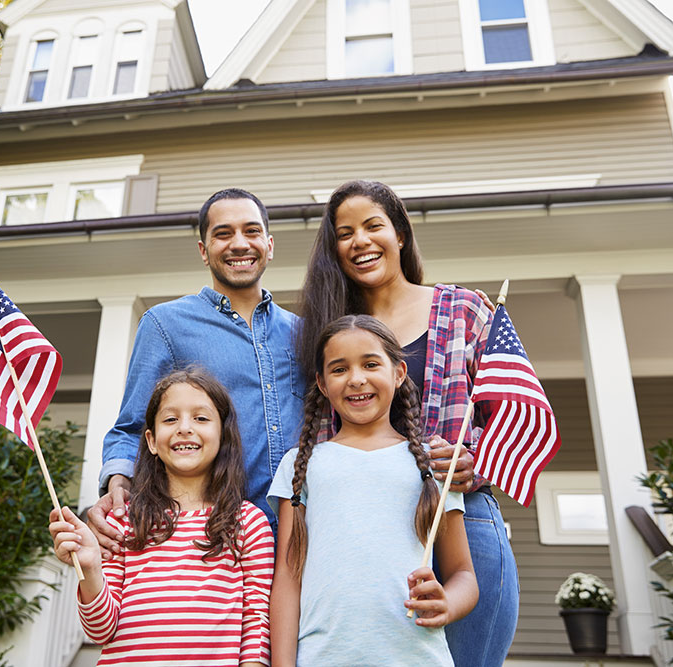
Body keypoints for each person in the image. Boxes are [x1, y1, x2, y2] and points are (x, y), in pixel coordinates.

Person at [293, 180, 519, 667]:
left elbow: (509, 418)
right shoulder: (329, 328)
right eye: (344, 232)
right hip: (362, 535)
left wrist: (471, 457)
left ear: (400, 233)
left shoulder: (464, 310)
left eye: (373, 225)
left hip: (461, 520)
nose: (360, 240)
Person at [87, 188, 303, 557]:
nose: (239, 244)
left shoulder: (303, 333)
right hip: (215, 542)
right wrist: (117, 483)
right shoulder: (165, 325)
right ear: (204, 251)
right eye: (223, 234)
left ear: (269, 244)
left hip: (302, 538)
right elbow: (132, 426)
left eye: (251, 232)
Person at [268, 315, 477, 665]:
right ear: (321, 383)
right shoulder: (299, 465)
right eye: (339, 369)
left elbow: (464, 575)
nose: (356, 379)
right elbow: (288, 582)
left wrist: (447, 602)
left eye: (370, 364)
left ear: (398, 373)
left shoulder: (432, 463)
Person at [49, 368, 275, 667]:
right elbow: (100, 630)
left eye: (201, 418)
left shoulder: (249, 522)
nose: (184, 428)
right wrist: (90, 569)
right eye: (170, 419)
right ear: (152, 441)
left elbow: (257, 626)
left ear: (223, 436)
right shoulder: (123, 522)